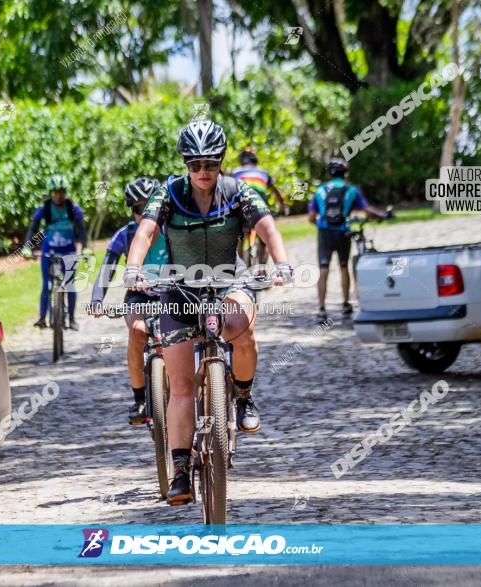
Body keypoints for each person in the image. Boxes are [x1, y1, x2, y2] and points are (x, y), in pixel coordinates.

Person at [124, 120, 293, 505]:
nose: (203, 171)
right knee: (180, 385)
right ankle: (181, 470)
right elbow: (145, 232)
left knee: (242, 329)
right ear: (185, 163)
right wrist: (134, 269)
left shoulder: (237, 192)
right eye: (195, 163)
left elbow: (268, 227)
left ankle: (244, 397)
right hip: (180, 288)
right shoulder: (168, 192)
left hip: (228, 281)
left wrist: (281, 263)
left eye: (211, 164)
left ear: (221, 162)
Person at [89, 177, 170, 426]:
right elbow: (107, 267)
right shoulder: (125, 235)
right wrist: (97, 299)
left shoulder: (172, 229)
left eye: (149, 207)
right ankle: (140, 398)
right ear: (131, 211)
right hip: (139, 295)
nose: (144, 214)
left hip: (172, 293)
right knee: (137, 332)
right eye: (138, 209)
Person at [308, 158, 387, 323]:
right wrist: (382, 215)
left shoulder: (320, 190)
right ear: (345, 173)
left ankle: (322, 309)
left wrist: (322, 225)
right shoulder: (352, 190)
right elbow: (366, 210)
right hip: (343, 232)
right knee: (344, 266)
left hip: (324, 233)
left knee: (323, 269)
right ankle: (345, 304)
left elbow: (311, 217)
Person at [24, 175, 88, 331]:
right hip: (49, 251)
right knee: (46, 285)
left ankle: (72, 318)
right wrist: (27, 246)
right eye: (55, 192)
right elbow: (33, 227)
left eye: (61, 192)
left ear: (65, 193)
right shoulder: (45, 209)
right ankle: (42, 318)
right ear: (50, 193)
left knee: (70, 284)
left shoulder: (73, 208)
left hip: (68, 251)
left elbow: (82, 230)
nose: (58, 196)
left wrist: (84, 247)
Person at [232, 147, 288, 267]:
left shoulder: (235, 172)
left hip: (241, 210)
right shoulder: (263, 172)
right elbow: (276, 192)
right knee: (265, 239)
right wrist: (282, 206)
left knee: (239, 238)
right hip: (260, 209)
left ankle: (239, 270)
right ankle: (261, 270)